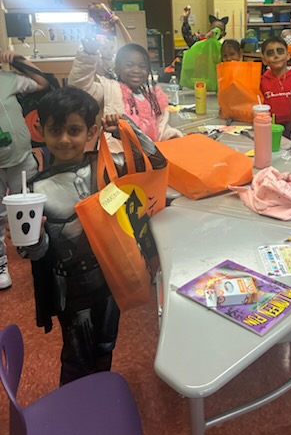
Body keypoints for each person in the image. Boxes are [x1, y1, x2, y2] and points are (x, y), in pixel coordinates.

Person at [18, 86, 167, 385]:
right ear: (40, 130)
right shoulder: (34, 190)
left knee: (104, 346)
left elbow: (155, 165)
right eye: (54, 130)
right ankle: (75, 412)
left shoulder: (105, 169)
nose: (63, 139)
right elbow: (36, 253)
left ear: (91, 131)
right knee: (76, 358)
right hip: (70, 289)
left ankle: (99, 399)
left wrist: (128, 128)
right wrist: (32, 240)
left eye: (73, 130)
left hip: (109, 278)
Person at [69, 41, 181, 153]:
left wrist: (171, 136)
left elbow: (160, 128)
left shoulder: (154, 97)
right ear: (117, 69)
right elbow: (80, 88)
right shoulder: (109, 90)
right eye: (129, 65)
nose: (136, 70)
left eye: (142, 66)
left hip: (151, 158)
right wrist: (87, 55)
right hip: (120, 159)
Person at [0, 50, 49, 290]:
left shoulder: (7, 78)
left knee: (31, 207)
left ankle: (37, 252)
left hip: (21, 158)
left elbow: (42, 82)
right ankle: (0, 261)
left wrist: (18, 60)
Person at [260, 36, 291, 138]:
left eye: (280, 51)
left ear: (288, 55)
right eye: (270, 53)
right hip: (271, 129)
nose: (276, 56)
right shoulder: (261, 81)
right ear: (264, 60)